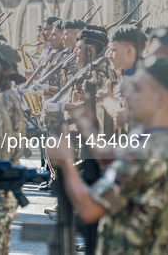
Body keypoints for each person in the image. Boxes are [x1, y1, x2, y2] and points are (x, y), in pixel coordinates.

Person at [51, 55, 168, 254]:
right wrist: (87, 125)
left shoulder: (146, 152)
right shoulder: (153, 140)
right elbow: (112, 158)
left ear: (161, 99)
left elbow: (89, 208)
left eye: (138, 90)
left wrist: (66, 162)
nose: (128, 96)